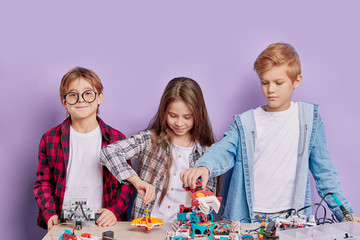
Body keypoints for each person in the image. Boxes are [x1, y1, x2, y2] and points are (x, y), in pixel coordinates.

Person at [181, 43, 360, 223]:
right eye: (265, 82)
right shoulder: (246, 122)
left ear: (296, 81)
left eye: (278, 82)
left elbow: (325, 174)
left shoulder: (309, 120)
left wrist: (345, 214)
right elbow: (223, 149)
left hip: (292, 221)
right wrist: (205, 166)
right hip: (248, 218)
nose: (270, 89)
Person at [100, 77, 217, 222]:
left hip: (183, 232)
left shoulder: (208, 155)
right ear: (164, 112)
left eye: (187, 117)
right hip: (146, 230)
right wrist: (137, 182)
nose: (179, 123)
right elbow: (108, 152)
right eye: (173, 116)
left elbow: (207, 205)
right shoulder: (150, 140)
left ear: (198, 115)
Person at [33, 67, 134, 230]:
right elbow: (43, 182)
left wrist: (114, 211)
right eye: (73, 94)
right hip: (63, 223)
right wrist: (49, 212)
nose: (81, 99)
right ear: (64, 101)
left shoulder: (116, 139)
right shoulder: (50, 138)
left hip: (103, 222)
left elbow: (127, 182)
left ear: (100, 97)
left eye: (88, 93)